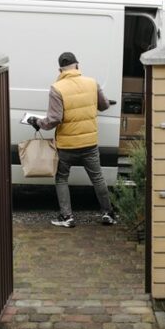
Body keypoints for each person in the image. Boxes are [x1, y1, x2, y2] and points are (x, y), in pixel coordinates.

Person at [27, 52, 118, 228]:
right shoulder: (92, 83)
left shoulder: (57, 88)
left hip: (66, 146)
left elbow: (54, 119)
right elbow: (105, 105)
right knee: (97, 178)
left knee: (61, 179)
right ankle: (108, 214)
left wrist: (37, 122)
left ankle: (67, 217)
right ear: (77, 65)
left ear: (60, 69)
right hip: (89, 143)